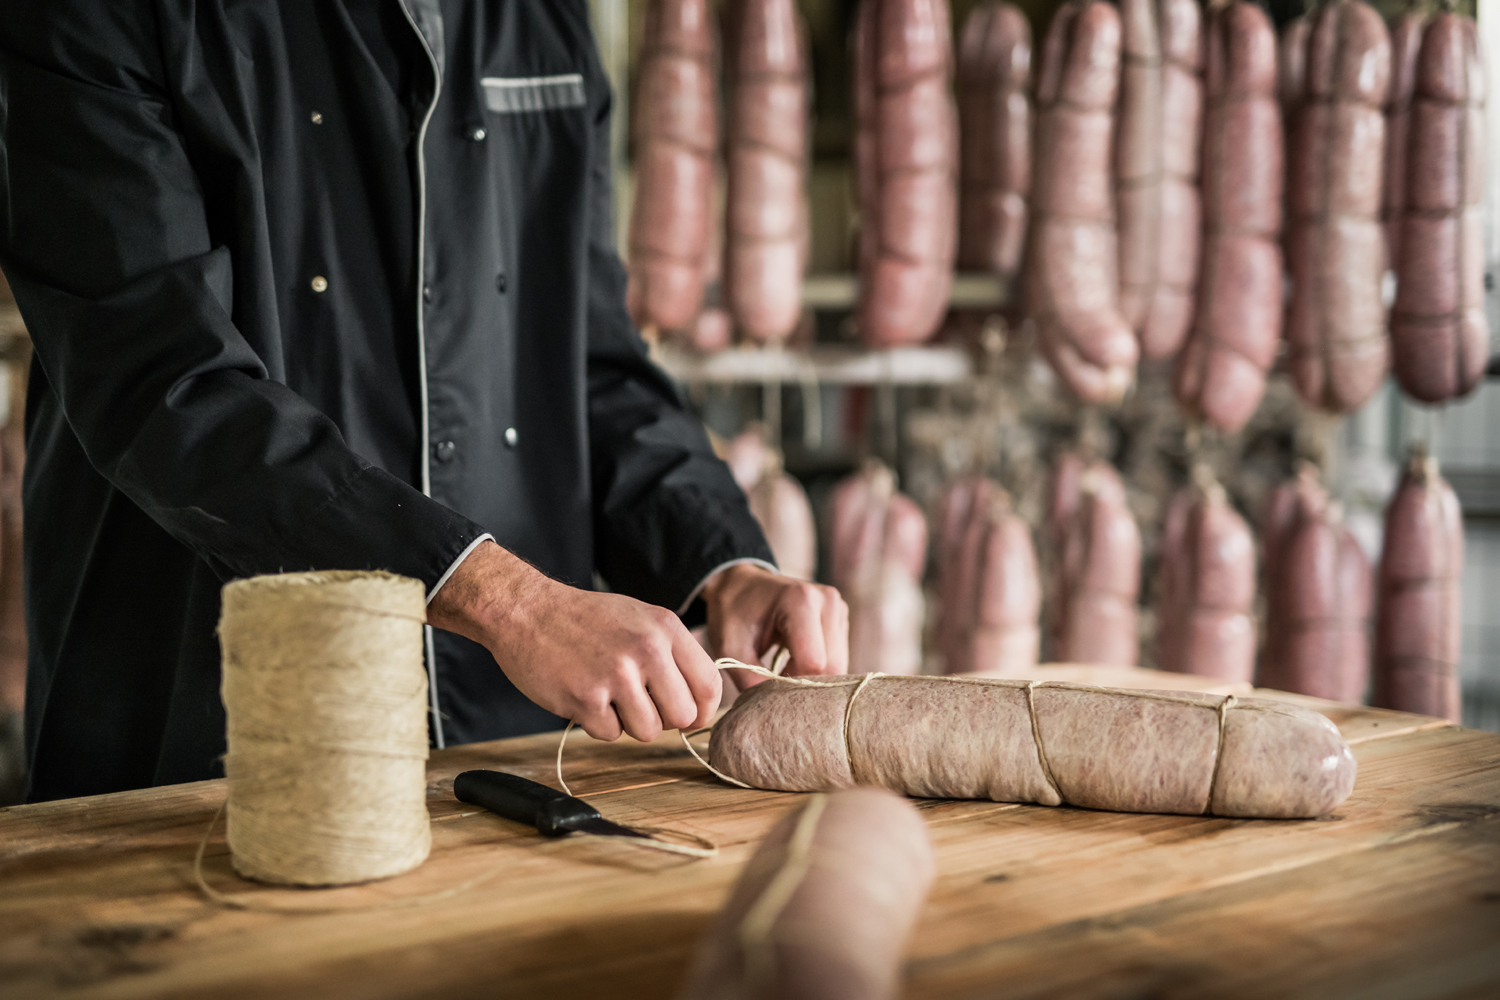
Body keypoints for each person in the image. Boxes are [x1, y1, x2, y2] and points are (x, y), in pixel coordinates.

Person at [0, 0, 848, 803]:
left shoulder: (540, 15)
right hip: (196, 740)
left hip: (506, 753)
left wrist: (725, 567)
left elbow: (585, 358)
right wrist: (512, 604)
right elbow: (164, 385)